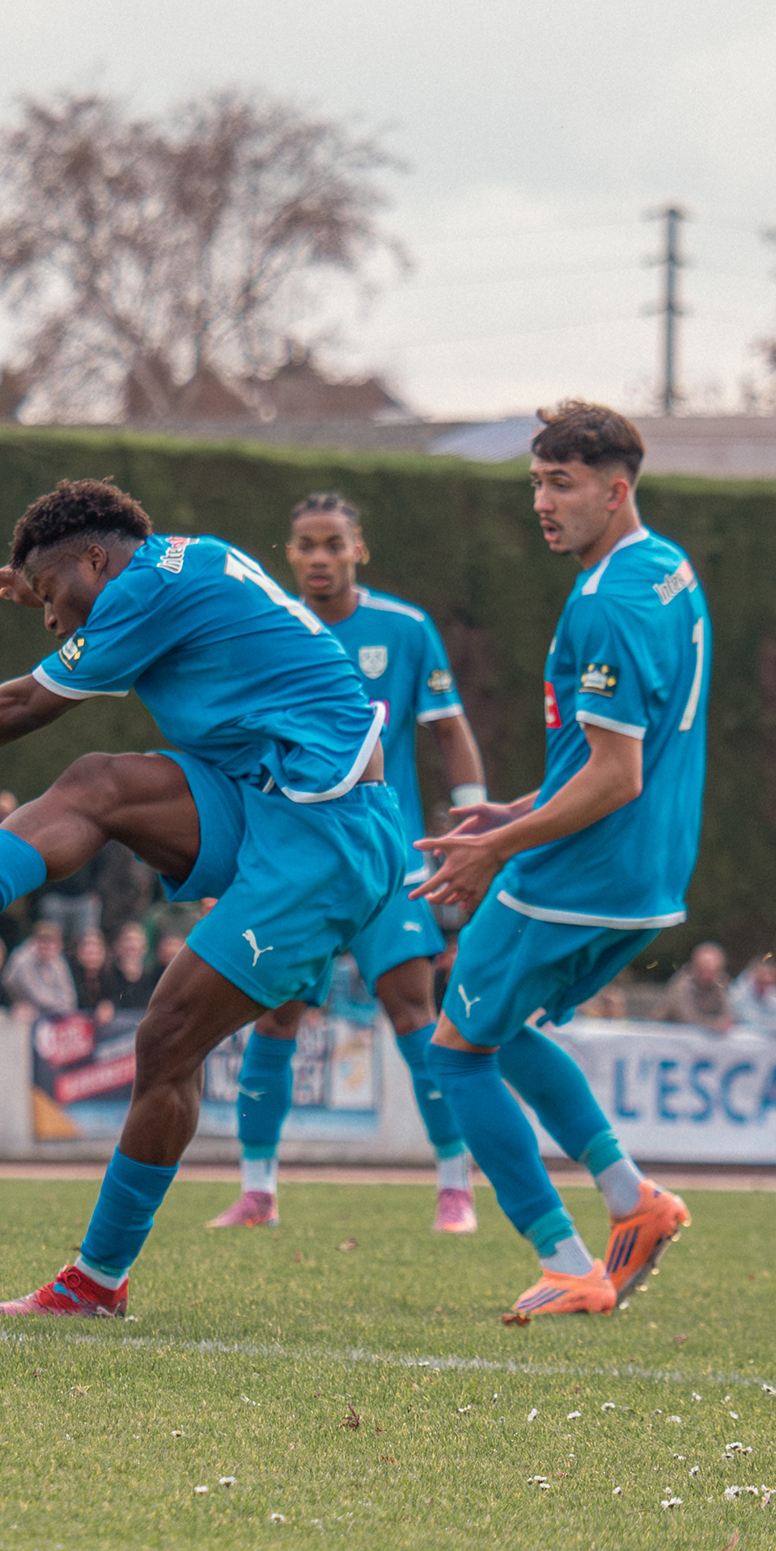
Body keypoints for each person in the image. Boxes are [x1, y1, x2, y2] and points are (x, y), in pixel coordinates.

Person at [0, 475, 404, 1320]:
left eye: (52, 596)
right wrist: (45, 580)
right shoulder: (178, 563)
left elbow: (26, 703)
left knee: (166, 1039)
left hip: (328, 831)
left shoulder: (146, 589)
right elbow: (88, 610)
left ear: (96, 558)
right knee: (97, 783)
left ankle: (95, 1283)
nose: (51, 618)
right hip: (273, 797)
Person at [412, 402, 704, 1321]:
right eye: (536, 482)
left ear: (615, 491)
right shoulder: (665, 569)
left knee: (455, 1055)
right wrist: (521, 806)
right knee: (507, 1027)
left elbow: (615, 777)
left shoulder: (610, 602)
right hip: (643, 874)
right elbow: (622, 759)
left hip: (579, 873)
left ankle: (569, 1260)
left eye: (562, 484)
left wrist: (497, 848)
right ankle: (634, 1201)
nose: (542, 501)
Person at [212, 491, 491, 1235]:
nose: (319, 558)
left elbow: (447, 728)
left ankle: (455, 1186)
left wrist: (472, 820)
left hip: (383, 859)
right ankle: (258, 1190)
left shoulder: (403, 630)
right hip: (292, 862)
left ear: (357, 549)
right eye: (306, 544)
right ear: (290, 553)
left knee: (412, 1012)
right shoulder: (267, 629)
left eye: (334, 543)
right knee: (273, 1016)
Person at [4, 916, 78, 1016]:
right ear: (35, 941)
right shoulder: (22, 959)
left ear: (58, 945)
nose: (46, 946)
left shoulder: (58, 961)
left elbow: (70, 996)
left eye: (51, 942)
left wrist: (63, 1006)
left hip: (49, 1009)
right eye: (43, 941)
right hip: (16, 1004)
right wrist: (60, 1005)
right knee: (24, 1013)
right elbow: (36, 995)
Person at [660, 941, 733, 1031]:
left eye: (714, 971)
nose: (708, 976)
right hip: (669, 1032)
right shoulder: (682, 985)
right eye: (704, 970)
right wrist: (713, 1024)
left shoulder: (720, 985)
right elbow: (686, 1017)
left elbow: (728, 1012)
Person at [729, 954, 776, 1032]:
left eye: (771, 974)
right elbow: (745, 1017)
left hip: (771, 1033)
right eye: (763, 973)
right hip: (746, 1032)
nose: (766, 977)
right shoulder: (738, 992)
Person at [103, 921, 160, 1012]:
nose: (132, 945)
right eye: (128, 940)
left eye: (137, 940)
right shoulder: (106, 975)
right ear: (117, 946)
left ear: (145, 947)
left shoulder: (153, 976)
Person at [69, 925, 112, 1015]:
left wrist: (106, 1005)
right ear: (78, 951)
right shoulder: (68, 973)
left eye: (97, 951)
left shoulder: (110, 974)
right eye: (87, 951)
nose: (92, 956)